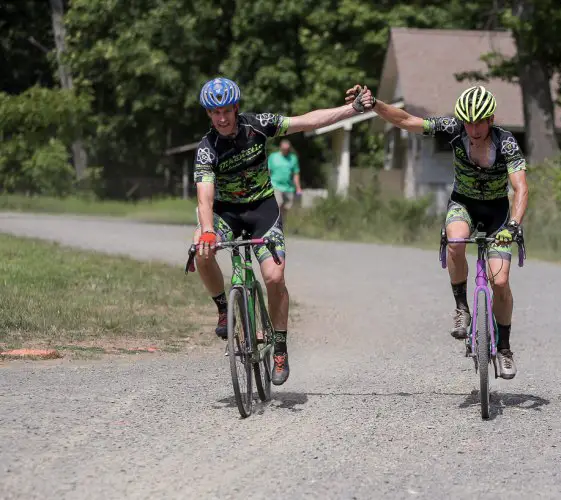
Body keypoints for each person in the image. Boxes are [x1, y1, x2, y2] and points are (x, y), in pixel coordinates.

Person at [192, 77, 372, 386]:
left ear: (236, 108)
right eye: (214, 113)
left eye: (225, 111)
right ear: (209, 115)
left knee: (274, 277)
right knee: (200, 248)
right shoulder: (207, 149)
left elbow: (306, 122)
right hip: (225, 214)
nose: (221, 118)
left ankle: (280, 345)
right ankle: (224, 308)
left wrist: (350, 110)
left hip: (262, 209)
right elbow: (204, 194)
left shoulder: (258, 125)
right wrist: (208, 230)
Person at [345, 84, 528, 379]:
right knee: (455, 240)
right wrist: (374, 103)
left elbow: (520, 188)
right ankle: (461, 308)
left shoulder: (506, 143)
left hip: (497, 212)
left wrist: (514, 225)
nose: (473, 128)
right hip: (464, 203)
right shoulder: (454, 129)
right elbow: (408, 121)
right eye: (468, 122)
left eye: (479, 122)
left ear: (491, 120)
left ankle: (504, 348)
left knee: (501, 281)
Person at [268, 139, 302, 220]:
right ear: (280, 148)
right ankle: (273, 222)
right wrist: (267, 184)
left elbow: (295, 174)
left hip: (288, 188)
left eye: (287, 149)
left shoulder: (293, 158)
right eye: (284, 149)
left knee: (287, 208)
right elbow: (268, 171)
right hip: (275, 185)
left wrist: (298, 188)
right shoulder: (273, 157)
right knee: (278, 204)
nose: (286, 151)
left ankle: (281, 225)